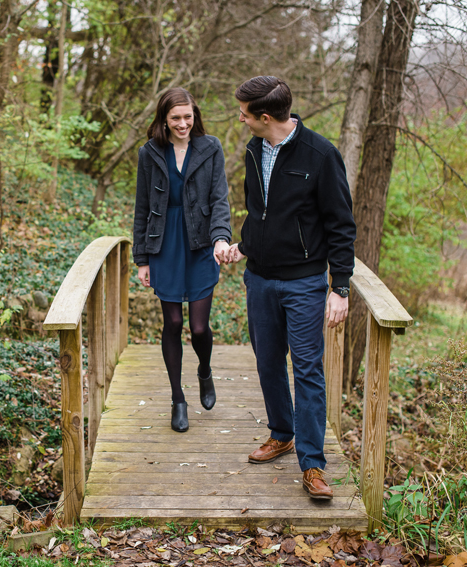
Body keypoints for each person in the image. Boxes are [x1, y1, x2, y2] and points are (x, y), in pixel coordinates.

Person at [223, 76, 356, 500]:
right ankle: (282, 433)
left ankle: (313, 466)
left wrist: (341, 287)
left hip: (304, 283)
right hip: (259, 278)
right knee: (266, 363)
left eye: (244, 113)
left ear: (265, 117)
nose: (239, 118)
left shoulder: (321, 154)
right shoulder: (252, 148)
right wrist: (244, 247)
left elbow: (340, 224)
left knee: (308, 371)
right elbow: (261, 211)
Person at [133, 87, 232, 433]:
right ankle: (178, 399)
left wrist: (221, 238)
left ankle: (204, 370)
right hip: (165, 244)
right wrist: (141, 258)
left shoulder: (211, 147)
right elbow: (142, 207)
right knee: (173, 323)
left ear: (195, 116)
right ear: (164, 118)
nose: (182, 123)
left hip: (201, 242)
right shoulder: (150, 153)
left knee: (199, 327)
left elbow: (220, 198)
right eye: (175, 117)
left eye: (187, 116)